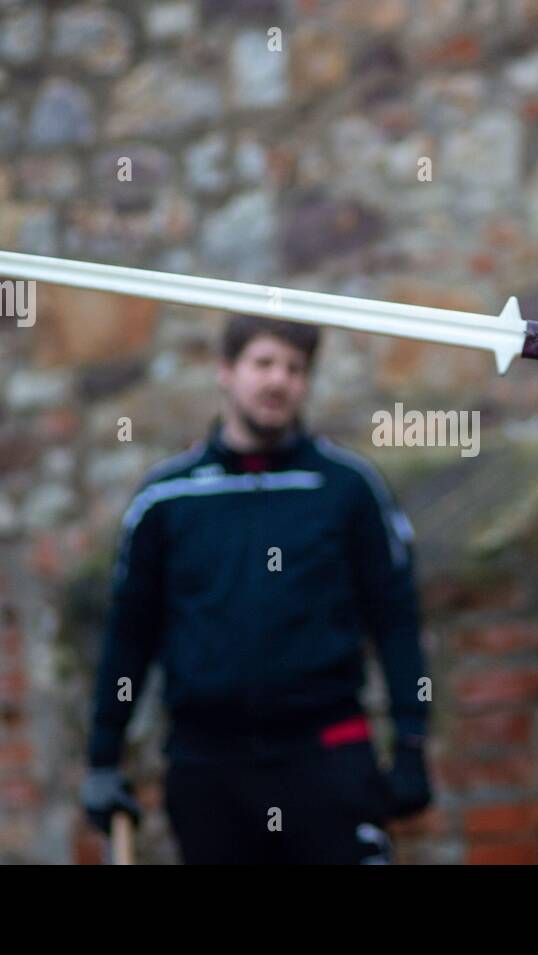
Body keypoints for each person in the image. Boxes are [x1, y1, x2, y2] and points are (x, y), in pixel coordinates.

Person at [81, 313, 432, 863]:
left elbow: (395, 621)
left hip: (327, 757)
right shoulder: (165, 499)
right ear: (226, 371)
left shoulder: (346, 488)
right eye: (263, 363)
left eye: (294, 369)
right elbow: (129, 636)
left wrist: (410, 744)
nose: (278, 381)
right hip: (208, 771)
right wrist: (103, 760)